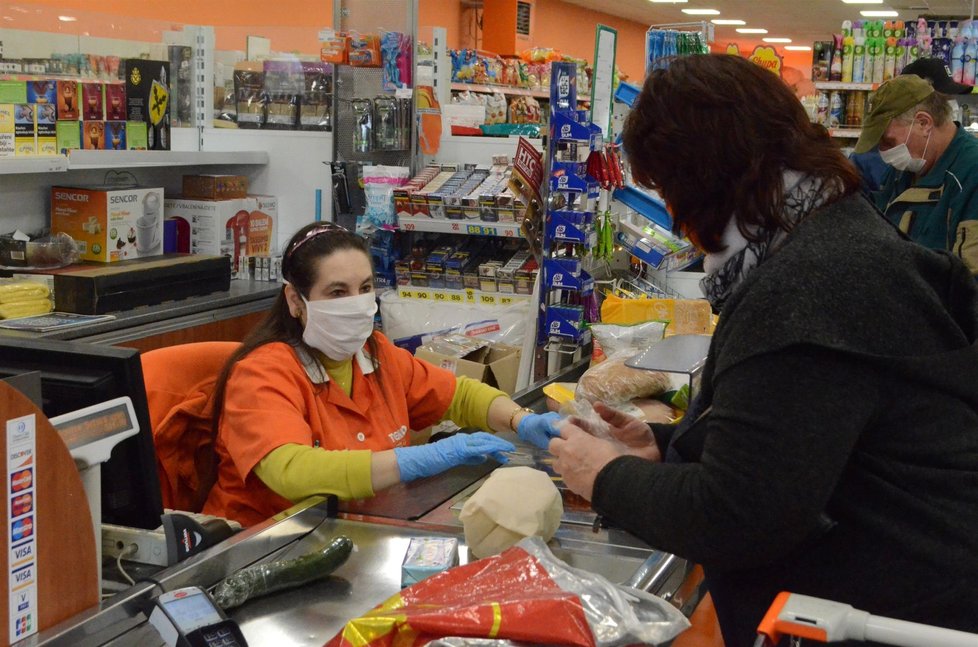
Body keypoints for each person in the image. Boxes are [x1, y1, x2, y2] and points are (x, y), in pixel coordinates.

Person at [549, 54, 978, 647]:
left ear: (704, 178)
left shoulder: (807, 286)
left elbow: (739, 516)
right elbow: (806, 439)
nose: (673, 218)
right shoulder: (833, 232)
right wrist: (669, 445)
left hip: (884, 614)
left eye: (668, 189)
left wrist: (606, 477)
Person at [202, 222, 560, 526]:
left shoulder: (375, 353)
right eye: (338, 292)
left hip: (356, 529)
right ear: (296, 301)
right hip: (263, 541)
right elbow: (292, 472)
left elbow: (459, 395)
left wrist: (519, 419)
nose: (356, 303)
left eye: (365, 288)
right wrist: (413, 461)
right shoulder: (261, 374)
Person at [854, 71, 978, 273]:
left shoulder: (971, 174)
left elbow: (969, 288)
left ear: (924, 123)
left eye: (888, 141)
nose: (883, 151)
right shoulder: (903, 170)